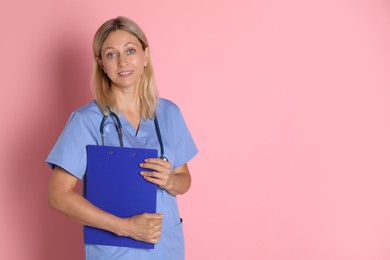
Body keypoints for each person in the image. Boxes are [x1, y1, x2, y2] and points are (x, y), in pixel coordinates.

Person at [46, 16, 198, 260]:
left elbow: (184, 180)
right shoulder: (86, 121)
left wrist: (169, 180)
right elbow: (58, 196)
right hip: (115, 251)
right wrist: (126, 227)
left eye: (130, 50)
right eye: (111, 54)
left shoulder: (170, 113)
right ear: (101, 63)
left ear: (145, 56)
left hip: (166, 247)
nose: (123, 62)